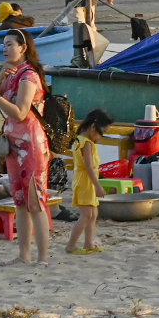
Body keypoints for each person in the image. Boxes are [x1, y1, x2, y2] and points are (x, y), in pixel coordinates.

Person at [0, 30, 52, 266]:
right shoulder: (11, 73)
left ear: (23, 47)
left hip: (31, 145)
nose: (5, 49)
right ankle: (24, 255)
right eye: (3, 46)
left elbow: (20, 112)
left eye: (9, 45)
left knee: (35, 202)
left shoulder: (29, 76)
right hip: (13, 146)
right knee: (19, 202)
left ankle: (42, 258)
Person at [65, 109, 113, 255]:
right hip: (86, 181)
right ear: (93, 127)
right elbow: (89, 167)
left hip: (84, 180)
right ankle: (71, 245)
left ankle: (88, 244)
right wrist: (97, 185)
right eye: (101, 132)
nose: (101, 137)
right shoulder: (87, 144)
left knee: (92, 213)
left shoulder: (79, 140)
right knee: (86, 215)